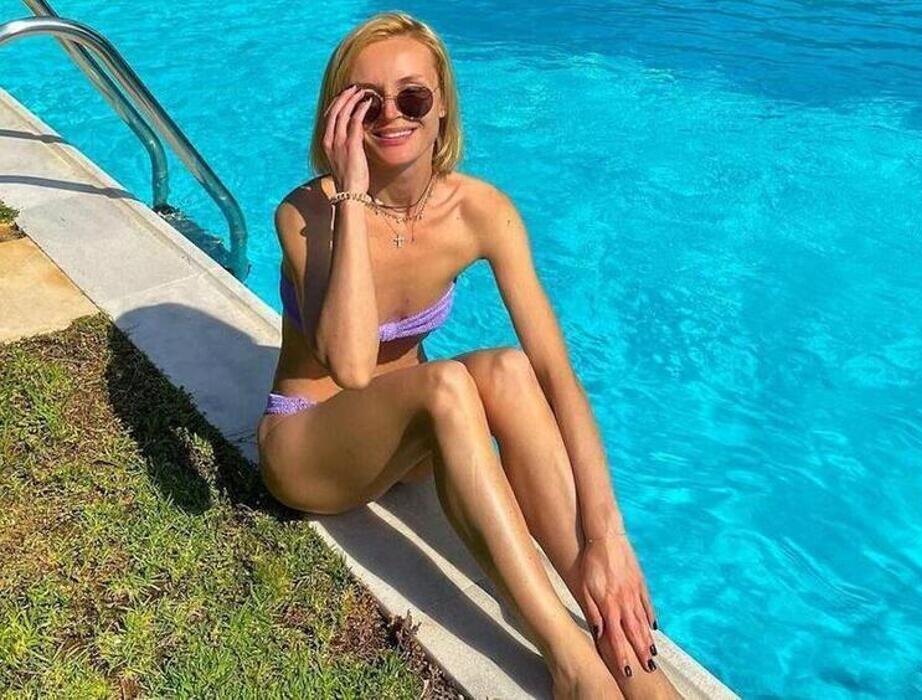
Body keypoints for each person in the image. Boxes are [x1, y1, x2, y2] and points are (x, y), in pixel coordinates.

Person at [256, 11, 682, 699]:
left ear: (442, 106)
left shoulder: (479, 210)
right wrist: (352, 195)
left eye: (412, 97)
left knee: (510, 369)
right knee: (447, 383)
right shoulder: (306, 215)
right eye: (366, 101)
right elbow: (353, 369)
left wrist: (607, 536)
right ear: (339, 114)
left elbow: (555, 374)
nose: (392, 116)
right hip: (313, 447)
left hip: (413, 444)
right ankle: (571, 662)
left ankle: (615, 633)